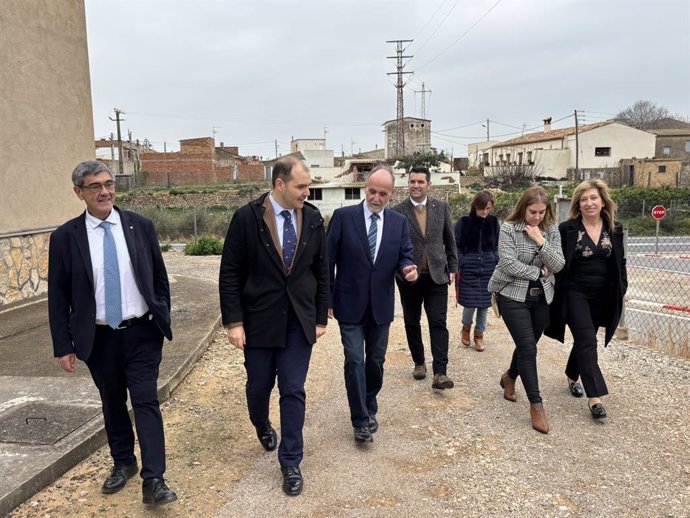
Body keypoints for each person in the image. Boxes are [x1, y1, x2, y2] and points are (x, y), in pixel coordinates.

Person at [48, 161, 177, 506]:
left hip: (142, 332)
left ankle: (155, 479)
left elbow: (159, 278)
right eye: (94, 187)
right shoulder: (65, 238)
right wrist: (64, 344)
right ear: (79, 192)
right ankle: (124, 462)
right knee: (112, 402)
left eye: (108, 184)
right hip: (98, 337)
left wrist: (161, 313)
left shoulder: (140, 226)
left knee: (146, 400)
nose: (105, 192)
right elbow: (58, 297)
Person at [219, 156, 328, 496]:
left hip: (299, 321)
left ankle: (291, 461)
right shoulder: (246, 218)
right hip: (259, 321)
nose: (307, 193)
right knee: (259, 385)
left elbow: (322, 271)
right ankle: (261, 422)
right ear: (279, 185)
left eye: (308, 186)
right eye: (301, 186)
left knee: (293, 389)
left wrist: (321, 316)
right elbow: (230, 273)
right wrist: (234, 322)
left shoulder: (311, 219)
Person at [327, 164, 418, 444]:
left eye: (383, 194)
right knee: (354, 359)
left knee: (375, 361)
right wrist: (327, 300)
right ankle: (360, 419)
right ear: (365, 189)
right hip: (349, 303)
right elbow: (326, 262)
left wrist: (408, 269)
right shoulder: (343, 218)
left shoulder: (399, 222)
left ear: (391, 194)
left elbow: (405, 255)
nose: (376, 198)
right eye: (372, 192)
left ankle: (369, 404)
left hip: (381, 305)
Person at [545, 179, 627, 420]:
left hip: (603, 294)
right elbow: (556, 261)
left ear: (603, 201)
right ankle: (595, 398)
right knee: (588, 340)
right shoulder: (567, 229)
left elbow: (620, 262)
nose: (589, 203)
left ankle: (572, 375)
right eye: (584, 199)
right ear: (578, 204)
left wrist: (623, 286)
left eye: (593, 198)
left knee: (584, 339)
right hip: (574, 292)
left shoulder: (615, 228)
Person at [488, 186, 564, 434]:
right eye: (533, 212)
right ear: (523, 208)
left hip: (541, 297)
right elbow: (508, 263)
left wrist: (541, 242)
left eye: (542, 212)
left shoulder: (550, 230)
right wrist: (539, 272)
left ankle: (510, 376)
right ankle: (536, 404)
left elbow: (559, 264)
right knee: (528, 347)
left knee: (527, 344)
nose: (537, 217)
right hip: (511, 295)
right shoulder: (508, 228)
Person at [392, 166, 457, 389]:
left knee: (438, 322)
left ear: (429, 184)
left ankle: (441, 372)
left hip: (437, 276)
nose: (416, 185)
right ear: (408, 184)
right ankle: (419, 362)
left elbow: (450, 240)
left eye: (420, 182)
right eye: (412, 181)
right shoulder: (397, 211)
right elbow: (394, 248)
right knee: (412, 321)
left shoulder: (442, 208)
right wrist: (399, 272)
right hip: (410, 278)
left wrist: (453, 267)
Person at [454, 190, 500, 352]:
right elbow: (455, 245)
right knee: (469, 303)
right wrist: (463, 261)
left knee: (484, 305)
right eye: (482, 208)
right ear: (475, 206)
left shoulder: (494, 222)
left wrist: (495, 258)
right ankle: (465, 330)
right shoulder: (463, 222)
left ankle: (479, 335)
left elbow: (497, 245)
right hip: (469, 268)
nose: (485, 212)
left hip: (488, 267)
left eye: (488, 208)